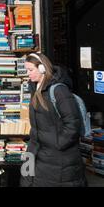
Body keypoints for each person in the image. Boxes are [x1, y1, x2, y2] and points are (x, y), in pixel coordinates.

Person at [20, 52, 87, 187]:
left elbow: (73, 123)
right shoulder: (34, 89)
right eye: (27, 70)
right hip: (35, 153)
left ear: (42, 68)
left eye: (31, 70)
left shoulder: (59, 91)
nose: (28, 73)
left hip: (57, 158)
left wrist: (58, 143)